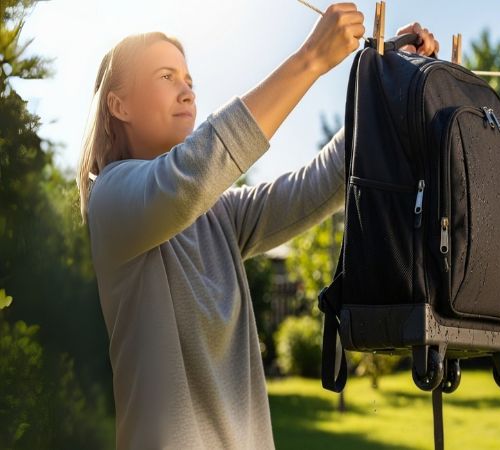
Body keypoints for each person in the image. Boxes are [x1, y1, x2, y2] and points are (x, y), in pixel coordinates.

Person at [75, 3, 439, 448]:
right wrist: (310, 59)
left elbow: (319, 183)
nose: (187, 92)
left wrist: (392, 87)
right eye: (166, 77)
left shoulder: (219, 215)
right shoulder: (110, 199)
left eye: (189, 80)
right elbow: (193, 174)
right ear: (119, 104)